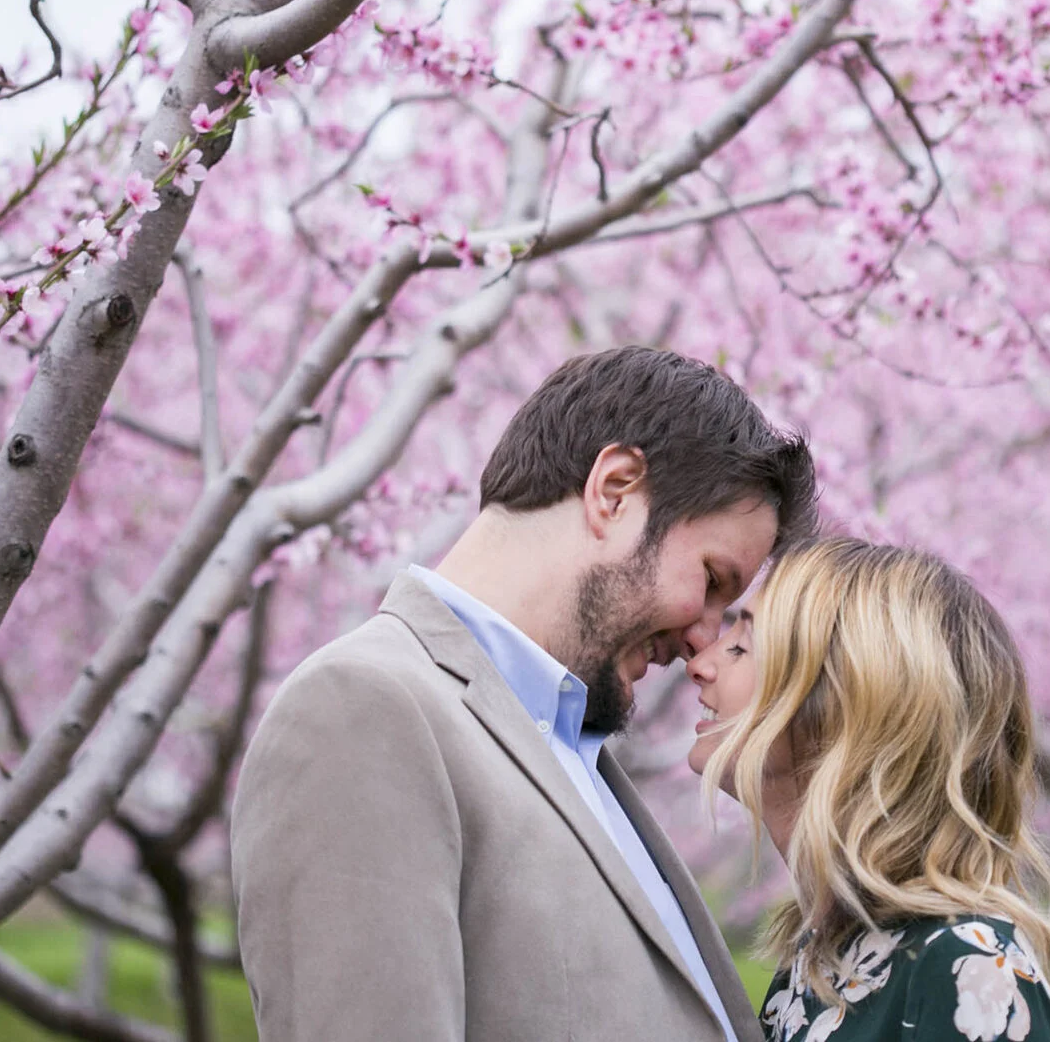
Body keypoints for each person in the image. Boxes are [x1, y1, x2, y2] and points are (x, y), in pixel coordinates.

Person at [232, 347, 817, 1041]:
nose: (703, 639)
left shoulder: (573, 751)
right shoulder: (361, 711)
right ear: (615, 490)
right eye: (713, 579)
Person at [688, 537, 1050, 1042]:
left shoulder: (964, 968)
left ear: (843, 705)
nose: (700, 664)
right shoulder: (822, 958)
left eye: (741, 648)